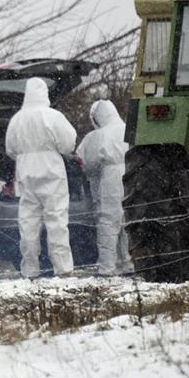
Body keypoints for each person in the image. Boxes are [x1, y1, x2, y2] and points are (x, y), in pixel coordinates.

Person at [5, 77, 77, 279]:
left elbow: (10, 149)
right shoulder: (53, 116)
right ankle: (63, 269)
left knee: (28, 224)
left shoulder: (17, 119)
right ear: (45, 93)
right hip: (52, 173)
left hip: (26, 174)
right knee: (57, 221)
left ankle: (30, 270)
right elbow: (68, 144)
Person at [76, 99, 133, 276]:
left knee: (108, 221)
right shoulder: (130, 129)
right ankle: (127, 263)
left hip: (110, 177)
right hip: (131, 173)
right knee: (126, 222)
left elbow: (87, 163)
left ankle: (107, 267)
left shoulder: (98, 136)